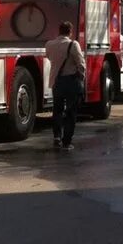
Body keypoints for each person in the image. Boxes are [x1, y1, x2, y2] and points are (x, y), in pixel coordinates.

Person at [45, 20, 86, 151]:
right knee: (70, 112)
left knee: (57, 110)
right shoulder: (73, 45)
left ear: (59, 30)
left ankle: (57, 136)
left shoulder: (49, 45)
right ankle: (67, 141)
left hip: (56, 82)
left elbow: (49, 57)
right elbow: (81, 64)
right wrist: (82, 77)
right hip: (71, 82)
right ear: (70, 31)